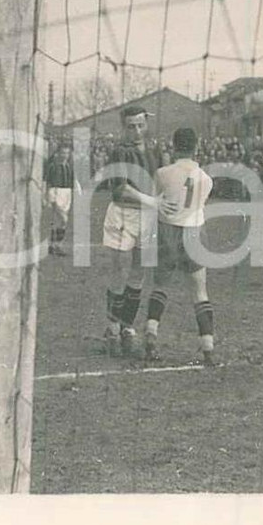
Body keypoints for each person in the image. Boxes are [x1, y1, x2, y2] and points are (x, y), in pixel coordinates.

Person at [101, 105, 177, 358]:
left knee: (138, 275)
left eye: (140, 125)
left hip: (147, 217)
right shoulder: (119, 152)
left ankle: (127, 327)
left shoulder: (155, 150)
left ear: (146, 124)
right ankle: (112, 328)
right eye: (131, 126)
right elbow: (120, 189)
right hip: (123, 214)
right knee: (120, 272)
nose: (136, 131)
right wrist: (153, 201)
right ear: (124, 127)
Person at [143, 127, 217, 365]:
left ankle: (151, 336)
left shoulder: (162, 173)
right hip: (194, 232)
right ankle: (208, 347)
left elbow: (154, 202)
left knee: (160, 286)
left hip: (168, 231)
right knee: (199, 291)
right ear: (196, 147)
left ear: (174, 146)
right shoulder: (206, 179)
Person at [43, 144, 80, 257]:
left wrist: (77, 190)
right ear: (58, 153)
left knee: (60, 222)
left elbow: (73, 180)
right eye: (63, 153)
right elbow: (46, 181)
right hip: (55, 192)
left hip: (66, 193)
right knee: (63, 219)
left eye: (67, 153)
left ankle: (55, 246)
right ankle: (55, 245)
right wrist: (45, 196)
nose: (65, 155)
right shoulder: (53, 166)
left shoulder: (69, 166)